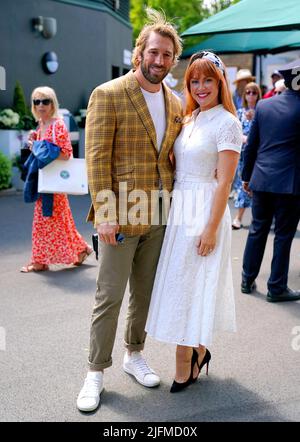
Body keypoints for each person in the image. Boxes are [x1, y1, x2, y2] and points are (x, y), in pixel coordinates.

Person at [77, 9, 183, 412]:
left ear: (173, 59)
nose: (159, 60)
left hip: (159, 214)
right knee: (109, 296)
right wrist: (104, 213)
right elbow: (96, 159)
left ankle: (134, 355)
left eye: (167, 55)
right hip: (119, 217)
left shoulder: (174, 101)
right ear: (139, 52)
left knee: (144, 294)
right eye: (154, 52)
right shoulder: (108, 93)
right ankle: (95, 372)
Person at [145, 51, 243, 392]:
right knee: (180, 285)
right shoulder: (189, 119)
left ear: (220, 83)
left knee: (193, 285)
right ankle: (199, 351)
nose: (201, 87)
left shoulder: (228, 123)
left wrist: (211, 229)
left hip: (205, 212)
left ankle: (187, 361)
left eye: (208, 80)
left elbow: (225, 183)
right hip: (180, 211)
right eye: (194, 81)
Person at [241, 66, 300, 302]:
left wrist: (246, 177)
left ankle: (247, 279)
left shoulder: (264, 106)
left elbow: (251, 146)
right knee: (283, 235)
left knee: (257, 230)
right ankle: (276, 287)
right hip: (291, 183)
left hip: (262, 179)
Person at [21, 86, 92, 273]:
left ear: (53, 103)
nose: (41, 105)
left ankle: (40, 261)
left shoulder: (57, 124)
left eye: (45, 101)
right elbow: (40, 151)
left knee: (52, 221)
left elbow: (66, 154)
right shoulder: (40, 125)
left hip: (54, 183)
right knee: (55, 222)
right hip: (43, 180)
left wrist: (38, 146)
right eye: (37, 101)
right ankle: (80, 249)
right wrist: (34, 142)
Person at [232, 82, 261, 229]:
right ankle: (238, 217)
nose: (250, 95)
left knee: (257, 187)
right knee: (242, 185)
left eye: (254, 92)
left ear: (258, 95)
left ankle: (258, 218)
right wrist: (244, 138)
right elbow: (234, 132)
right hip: (242, 155)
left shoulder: (262, 111)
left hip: (258, 155)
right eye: (248, 92)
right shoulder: (239, 112)